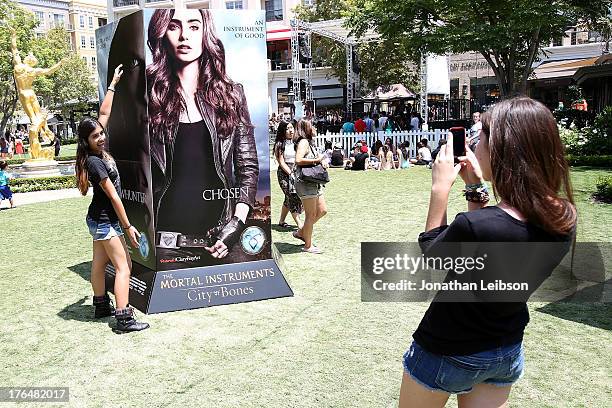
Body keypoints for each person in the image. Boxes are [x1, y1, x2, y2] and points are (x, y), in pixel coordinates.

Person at [400, 97, 576, 407]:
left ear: (503, 148)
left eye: (478, 137)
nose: (472, 144)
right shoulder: (563, 217)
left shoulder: (477, 225)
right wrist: (476, 190)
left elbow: (433, 254)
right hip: (503, 351)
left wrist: (439, 190)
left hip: (445, 350)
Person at [146, 9, 259, 263]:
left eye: (194, 27)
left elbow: (247, 167)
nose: (185, 35)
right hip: (165, 243)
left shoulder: (232, 95)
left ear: (205, 33)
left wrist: (237, 223)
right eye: (174, 27)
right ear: (162, 35)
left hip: (221, 240)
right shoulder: (148, 98)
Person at [75, 65, 149, 332]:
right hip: (106, 220)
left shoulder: (94, 146)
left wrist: (113, 83)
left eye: (101, 133)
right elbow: (115, 197)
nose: (102, 137)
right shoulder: (95, 163)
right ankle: (123, 318)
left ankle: (100, 304)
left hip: (97, 220)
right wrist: (128, 227)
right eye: (96, 136)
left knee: (98, 262)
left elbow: (104, 112)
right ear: (86, 141)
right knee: (124, 266)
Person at [293, 119, 328, 254]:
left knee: (322, 210)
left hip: (313, 182)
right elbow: (298, 160)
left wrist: (321, 161)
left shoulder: (309, 142)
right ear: (306, 128)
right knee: (311, 215)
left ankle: (302, 232)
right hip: (305, 182)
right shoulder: (304, 142)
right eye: (311, 125)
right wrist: (316, 160)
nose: (313, 127)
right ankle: (308, 245)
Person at [273, 121, 303, 230]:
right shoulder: (279, 144)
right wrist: (290, 173)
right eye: (287, 129)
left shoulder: (296, 143)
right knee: (292, 197)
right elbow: (281, 162)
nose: (291, 130)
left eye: (291, 128)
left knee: (288, 198)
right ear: (282, 131)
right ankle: (300, 224)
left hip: (296, 171)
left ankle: (281, 221)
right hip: (284, 174)